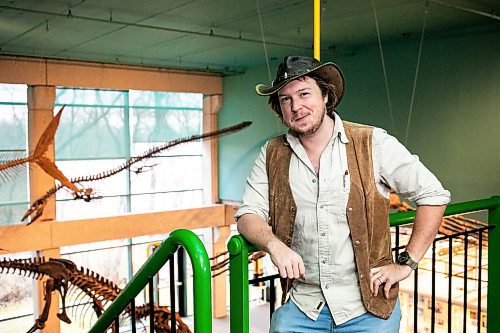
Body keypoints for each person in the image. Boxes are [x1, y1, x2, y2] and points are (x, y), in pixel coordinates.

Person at [235, 55, 450, 332]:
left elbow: (433, 194)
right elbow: (248, 214)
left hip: (370, 306)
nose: (296, 106)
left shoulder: (372, 142)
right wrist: (274, 246)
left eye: (304, 94)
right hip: (305, 305)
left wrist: (406, 264)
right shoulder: (272, 153)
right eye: (285, 100)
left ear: (325, 95)